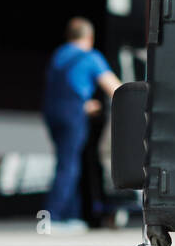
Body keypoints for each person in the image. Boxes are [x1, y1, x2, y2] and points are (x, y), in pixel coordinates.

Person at [42, 17, 122, 231]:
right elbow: (116, 90)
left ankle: (71, 217)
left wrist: (83, 105)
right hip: (72, 115)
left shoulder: (59, 54)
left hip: (52, 112)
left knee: (67, 161)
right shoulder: (91, 56)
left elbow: (64, 88)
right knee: (70, 166)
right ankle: (54, 217)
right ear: (89, 37)